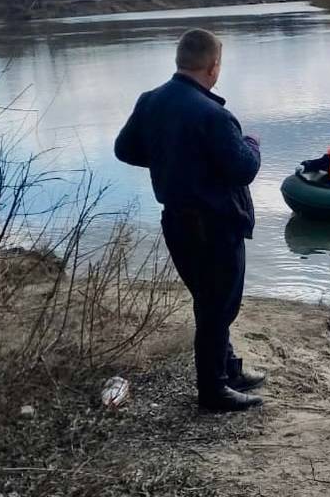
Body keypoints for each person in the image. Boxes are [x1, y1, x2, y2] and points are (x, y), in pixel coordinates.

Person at [114, 28, 266, 413]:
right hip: (214, 225)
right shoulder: (214, 115)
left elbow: (125, 149)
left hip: (177, 224)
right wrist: (252, 143)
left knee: (210, 300)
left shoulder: (150, 101)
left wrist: (172, 160)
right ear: (213, 67)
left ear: (180, 61)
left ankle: (227, 369)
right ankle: (213, 391)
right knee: (218, 306)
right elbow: (243, 168)